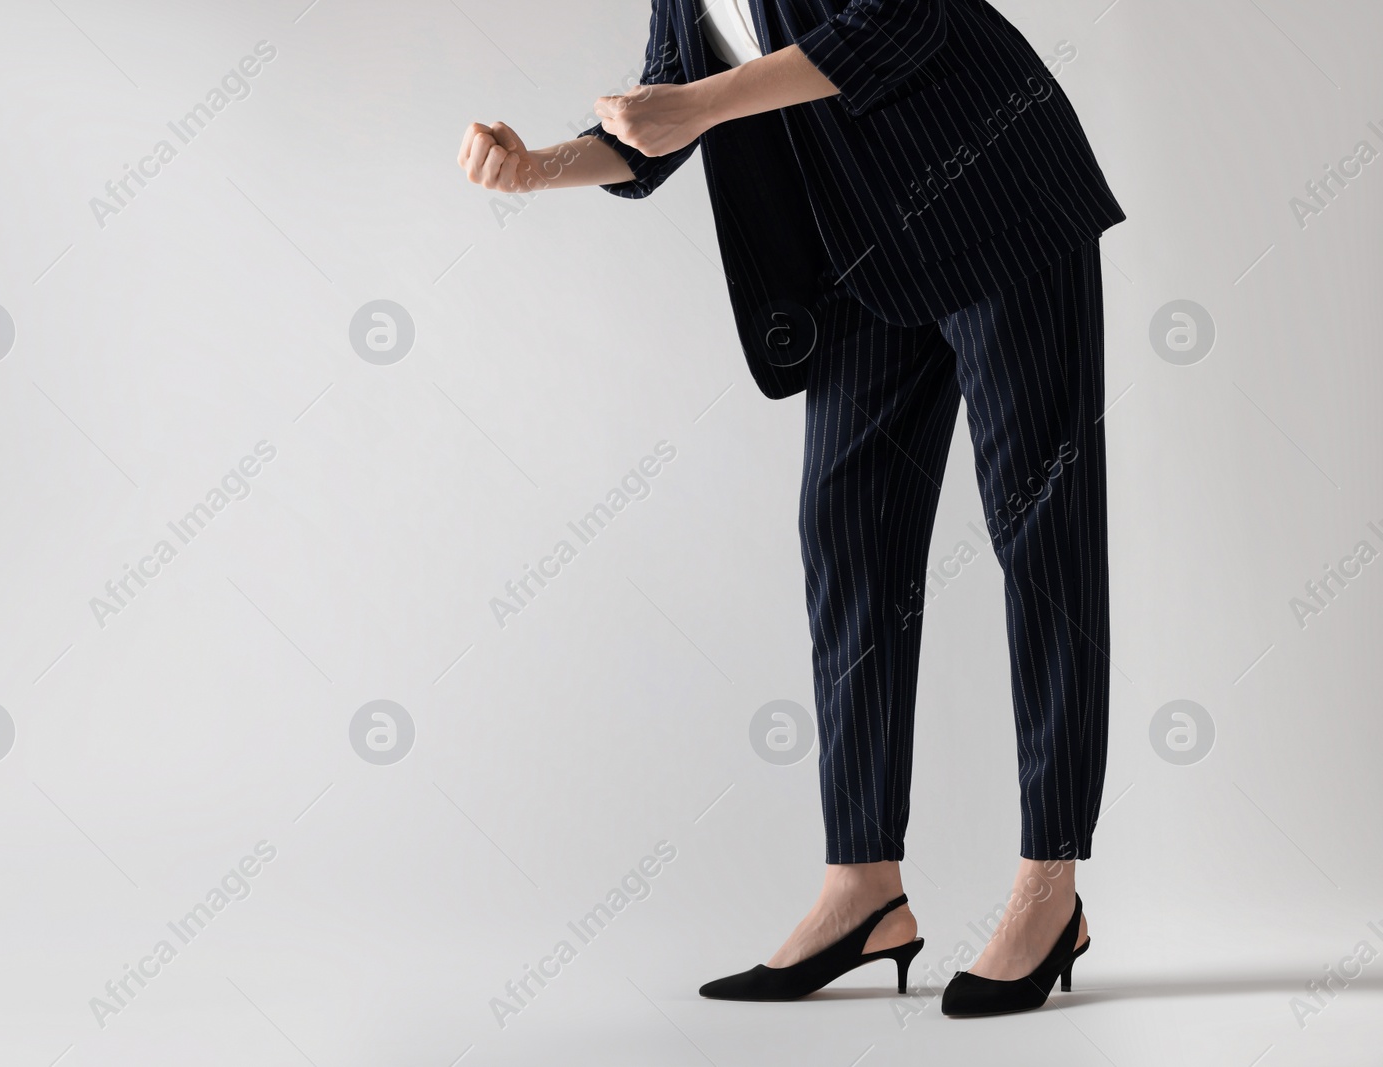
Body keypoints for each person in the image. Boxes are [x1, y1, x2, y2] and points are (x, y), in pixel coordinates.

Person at [457, 0, 1123, 1017]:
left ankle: (1050, 885)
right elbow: (652, 136)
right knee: (844, 538)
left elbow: (901, 24)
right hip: (861, 254)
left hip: (997, 197)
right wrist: (535, 165)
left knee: (1042, 536)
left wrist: (702, 104)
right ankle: (863, 889)